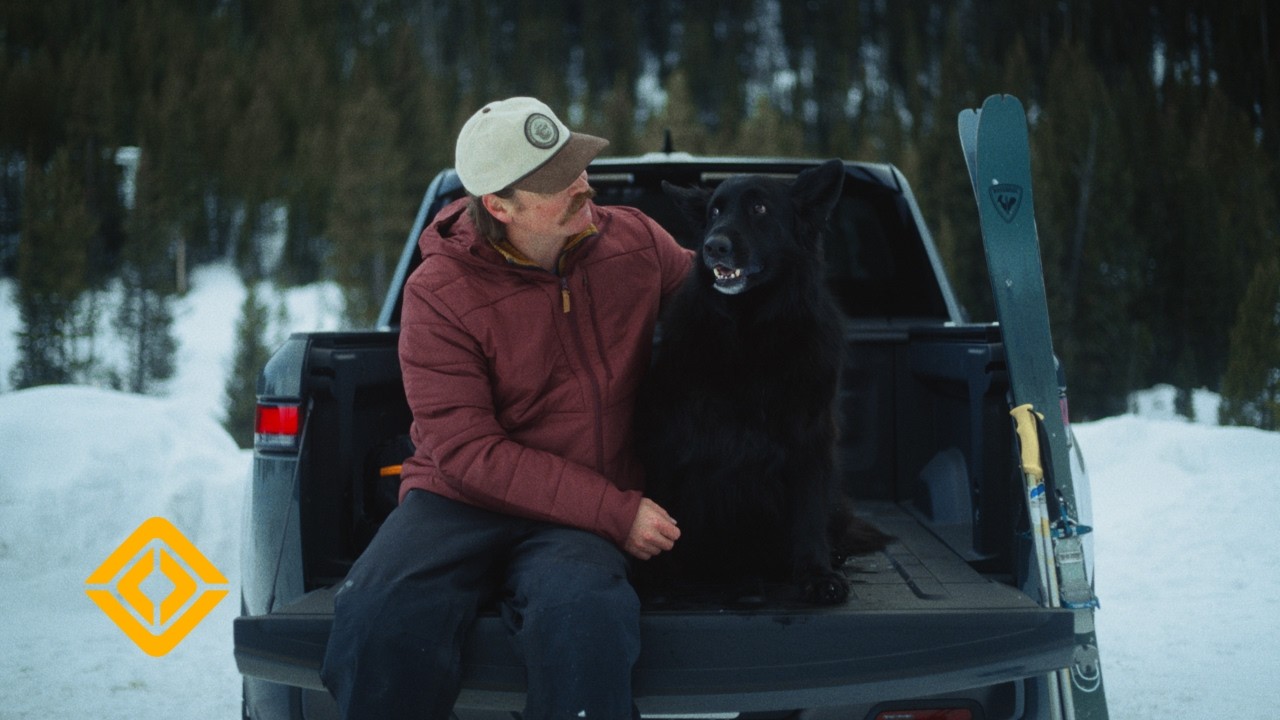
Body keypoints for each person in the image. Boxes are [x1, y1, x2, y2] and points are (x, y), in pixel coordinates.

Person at [320, 96, 693, 719]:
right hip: (459, 500)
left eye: (576, 163)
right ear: (498, 206)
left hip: (575, 510)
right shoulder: (438, 292)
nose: (582, 185)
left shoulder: (636, 243)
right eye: (556, 180)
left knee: (585, 618)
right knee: (375, 617)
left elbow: (724, 305)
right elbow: (469, 453)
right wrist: (615, 511)